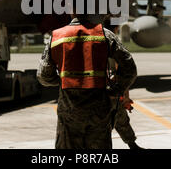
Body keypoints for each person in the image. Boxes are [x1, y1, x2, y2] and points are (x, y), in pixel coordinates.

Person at [37, 13, 137, 149]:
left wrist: (63, 80)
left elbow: (43, 76)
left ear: (72, 12)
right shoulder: (105, 35)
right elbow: (130, 69)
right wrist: (116, 90)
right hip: (99, 112)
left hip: (69, 113)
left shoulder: (56, 36)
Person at [104, 18, 143, 149]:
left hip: (97, 90)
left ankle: (133, 145)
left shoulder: (95, 41)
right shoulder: (113, 43)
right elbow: (123, 71)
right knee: (115, 121)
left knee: (120, 120)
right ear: (115, 29)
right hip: (111, 90)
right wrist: (125, 96)